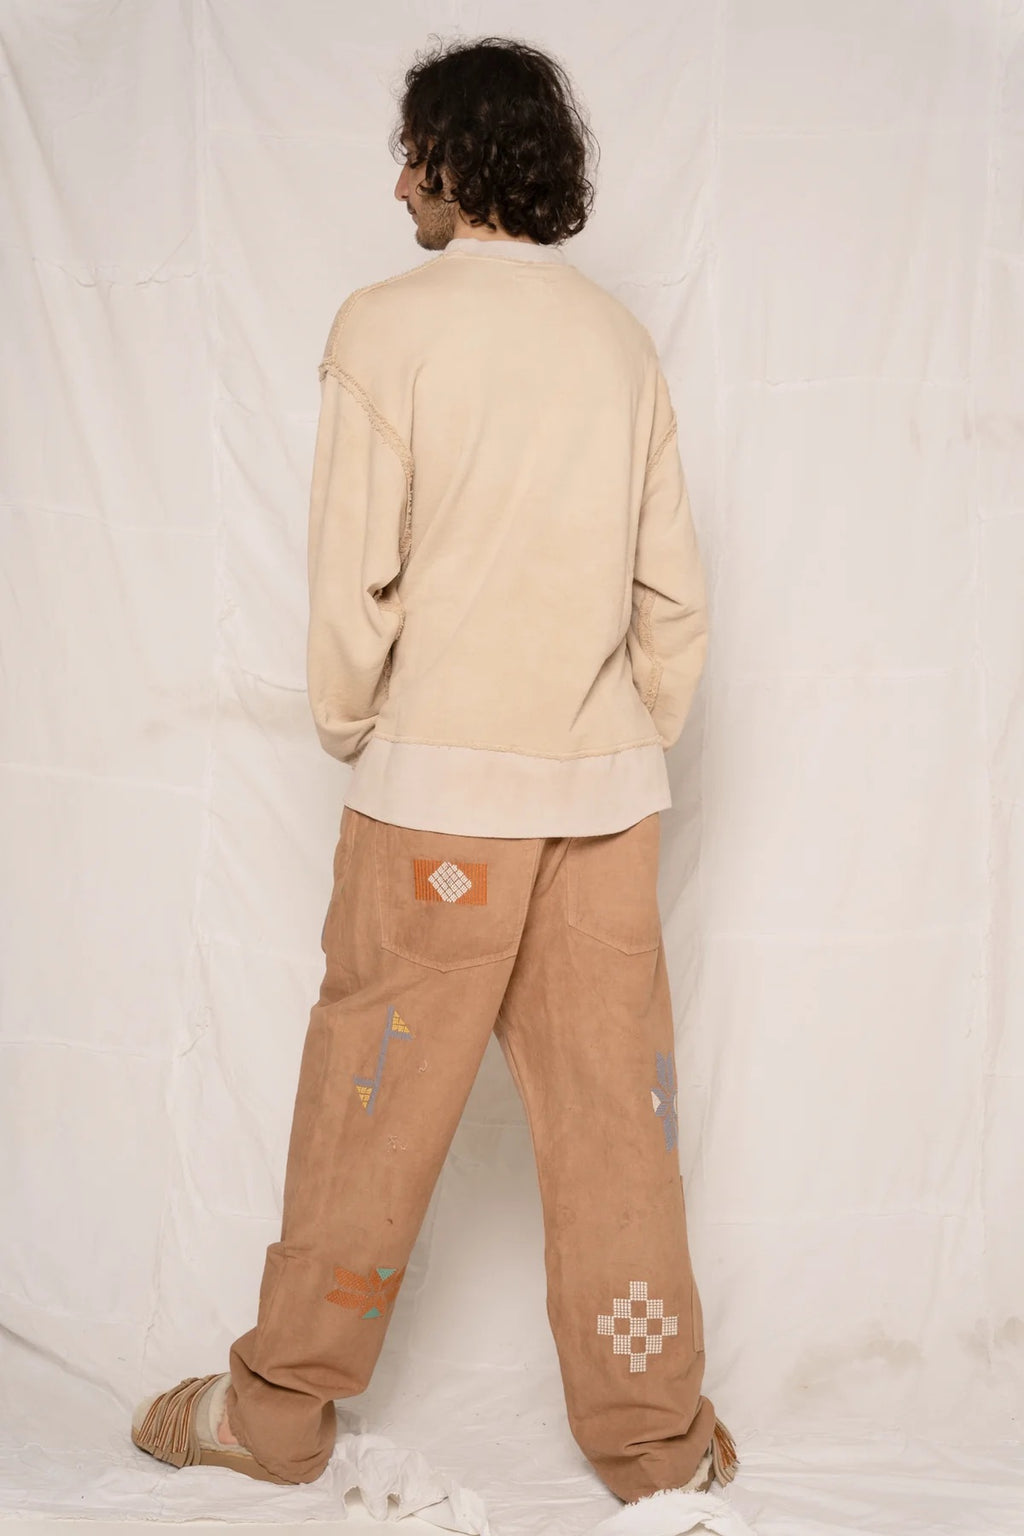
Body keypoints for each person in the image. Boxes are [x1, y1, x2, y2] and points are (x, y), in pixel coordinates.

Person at [130, 33, 739, 1515]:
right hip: (602, 806)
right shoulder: (616, 342)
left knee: (371, 1110)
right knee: (618, 1131)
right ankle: (655, 1444)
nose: (397, 181)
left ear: (457, 161)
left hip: (434, 811)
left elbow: (354, 580)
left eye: (412, 153)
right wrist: (621, 733)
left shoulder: (385, 328)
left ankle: (276, 1410)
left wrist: (355, 723)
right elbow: (674, 601)